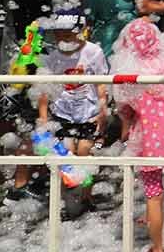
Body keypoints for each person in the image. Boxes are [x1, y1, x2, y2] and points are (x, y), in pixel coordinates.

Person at [110, 18, 164, 252]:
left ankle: (157, 246)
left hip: (148, 139)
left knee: (153, 196)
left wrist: (127, 120)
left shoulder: (129, 71)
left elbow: (125, 108)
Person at [35, 11, 110, 206]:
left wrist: (103, 111)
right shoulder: (52, 57)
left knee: (86, 152)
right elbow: (44, 91)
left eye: (68, 34)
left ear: (82, 32)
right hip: (62, 113)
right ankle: (61, 199)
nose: (63, 38)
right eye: (59, 34)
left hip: (89, 112)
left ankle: (86, 195)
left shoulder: (93, 52)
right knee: (64, 155)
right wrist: (43, 119)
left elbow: (102, 84)